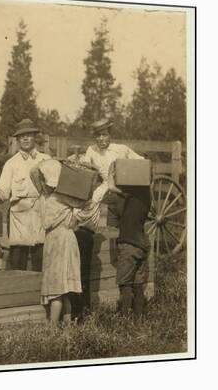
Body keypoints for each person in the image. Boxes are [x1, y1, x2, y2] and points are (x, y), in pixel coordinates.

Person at [0, 118, 51, 271]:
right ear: (18, 139)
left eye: (29, 135)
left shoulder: (46, 160)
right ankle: (16, 293)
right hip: (19, 218)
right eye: (22, 136)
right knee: (17, 260)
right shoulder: (11, 164)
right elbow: (3, 188)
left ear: (35, 137)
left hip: (40, 214)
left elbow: (54, 188)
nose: (26, 138)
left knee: (40, 257)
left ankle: (38, 293)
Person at [30, 159, 83, 325]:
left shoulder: (51, 200)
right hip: (67, 238)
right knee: (64, 288)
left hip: (58, 241)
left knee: (56, 288)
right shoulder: (69, 197)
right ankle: (68, 326)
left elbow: (46, 223)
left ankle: (52, 327)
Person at [79, 118, 145, 225]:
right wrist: (92, 166)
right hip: (104, 185)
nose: (101, 139)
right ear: (94, 137)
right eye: (98, 135)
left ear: (110, 135)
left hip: (123, 185)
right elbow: (85, 166)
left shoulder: (121, 149)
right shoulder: (91, 150)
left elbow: (140, 161)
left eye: (104, 135)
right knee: (91, 202)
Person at [109, 162, 152, 316]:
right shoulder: (146, 197)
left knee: (124, 283)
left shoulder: (128, 198)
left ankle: (125, 320)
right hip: (142, 245)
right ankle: (139, 319)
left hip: (129, 245)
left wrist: (110, 174)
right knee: (138, 283)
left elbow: (112, 188)